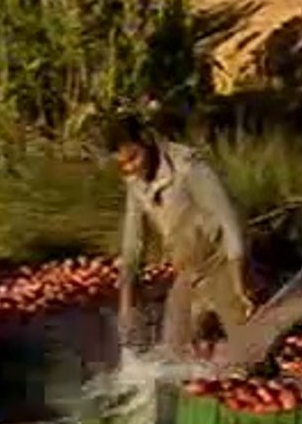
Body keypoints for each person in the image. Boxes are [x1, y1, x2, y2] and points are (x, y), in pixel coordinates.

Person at [104, 114, 254, 358]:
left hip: (222, 266)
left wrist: (240, 283)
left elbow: (230, 223)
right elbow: (133, 244)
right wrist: (126, 304)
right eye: (123, 165)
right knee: (176, 354)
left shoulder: (189, 167)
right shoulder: (135, 182)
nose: (131, 168)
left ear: (146, 140)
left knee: (248, 355)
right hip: (188, 273)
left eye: (134, 158)